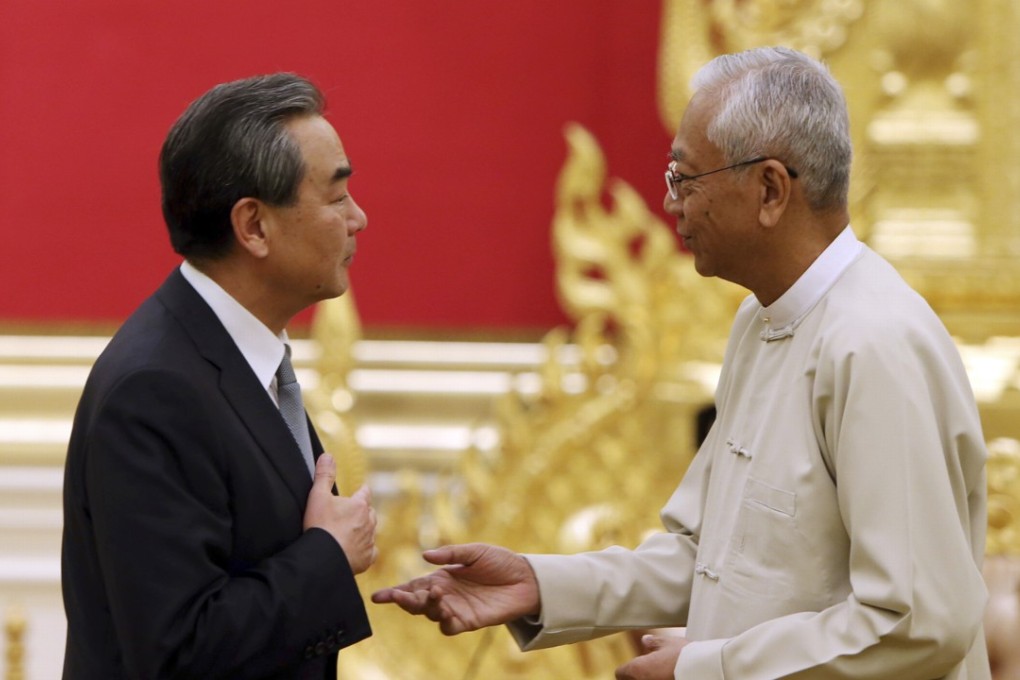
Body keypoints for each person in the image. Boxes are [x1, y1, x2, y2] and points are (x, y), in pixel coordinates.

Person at [372, 47, 992, 680]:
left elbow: (916, 621)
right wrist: (539, 583)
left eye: (684, 179)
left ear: (770, 189)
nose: (671, 205)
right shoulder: (762, 320)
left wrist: (710, 668)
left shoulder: (874, 343)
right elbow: (708, 556)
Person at [62, 73, 376, 679]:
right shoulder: (154, 391)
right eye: (336, 198)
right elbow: (180, 650)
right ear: (253, 226)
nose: (358, 218)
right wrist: (328, 557)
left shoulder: (238, 355)